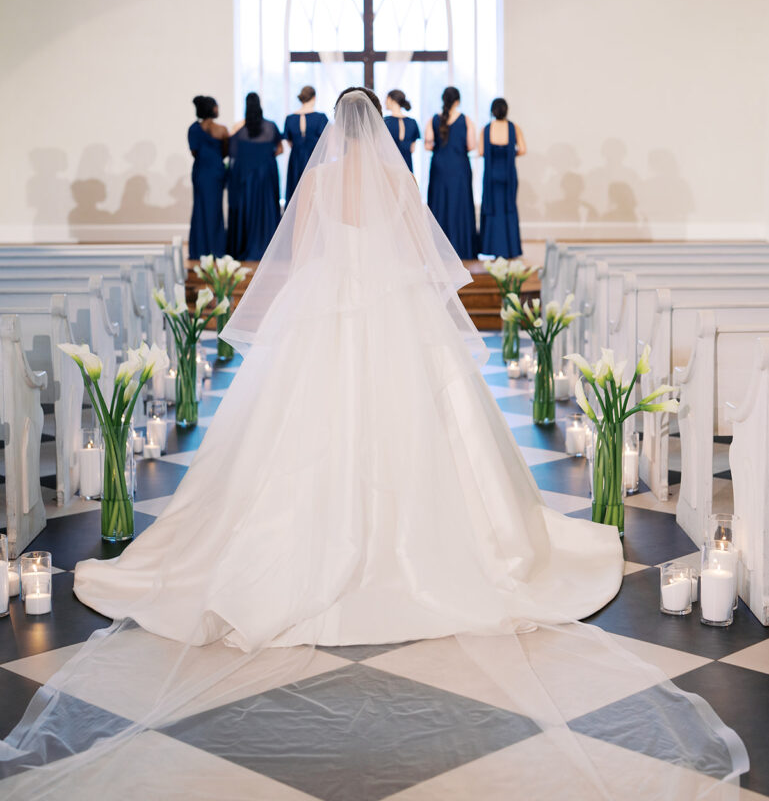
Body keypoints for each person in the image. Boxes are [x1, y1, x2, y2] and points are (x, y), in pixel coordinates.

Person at [2, 90, 748, 798]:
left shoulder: (320, 181)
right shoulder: (394, 183)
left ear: (332, 131)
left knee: (294, 429)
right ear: (380, 136)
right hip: (393, 317)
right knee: (424, 425)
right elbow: (422, 257)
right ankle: (418, 546)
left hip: (326, 316)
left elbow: (297, 259)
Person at [226, 92, 282, 260]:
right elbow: (279, 149)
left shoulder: (239, 128)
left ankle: (247, 247)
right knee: (266, 209)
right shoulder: (271, 127)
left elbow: (232, 151)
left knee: (248, 210)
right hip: (266, 175)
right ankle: (269, 249)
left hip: (247, 178)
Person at [425, 86, 478, 258]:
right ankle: (462, 248)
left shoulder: (433, 119)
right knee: (460, 205)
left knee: (439, 205)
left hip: (439, 166)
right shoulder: (466, 120)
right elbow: (471, 145)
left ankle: (438, 251)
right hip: (460, 167)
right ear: (458, 101)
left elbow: (428, 145)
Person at [479, 97, 526, 257]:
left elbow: (480, 152)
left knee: (492, 207)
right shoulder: (514, 127)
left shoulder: (486, 129)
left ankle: (491, 247)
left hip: (491, 174)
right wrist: (510, 154)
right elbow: (523, 149)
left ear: (492, 111)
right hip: (508, 174)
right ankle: (510, 248)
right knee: (508, 207)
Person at [187, 95, 227, 259]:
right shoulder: (221, 129)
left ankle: (200, 249)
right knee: (215, 211)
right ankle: (216, 249)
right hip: (216, 172)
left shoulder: (193, 129)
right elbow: (226, 151)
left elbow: (194, 152)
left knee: (200, 209)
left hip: (201, 172)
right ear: (211, 109)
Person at [283, 85, 329, 203]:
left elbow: (289, 141)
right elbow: (326, 141)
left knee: (296, 192)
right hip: (315, 159)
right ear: (314, 98)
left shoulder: (290, 118)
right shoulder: (321, 118)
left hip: (296, 159)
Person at [383, 89, 420, 171]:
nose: (384, 102)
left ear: (390, 99)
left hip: (388, 168)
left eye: (386, 99)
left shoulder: (384, 122)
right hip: (407, 168)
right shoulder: (412, 122)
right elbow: (412, 149)